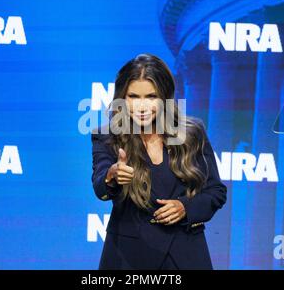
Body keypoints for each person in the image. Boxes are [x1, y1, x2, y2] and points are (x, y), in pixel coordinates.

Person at [91, 53, 227, 269]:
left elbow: (216, 192)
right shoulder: (108, 137)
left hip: (185, 254)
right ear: (121, 98)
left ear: (165, 97)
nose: (142, 106)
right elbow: (101, 188)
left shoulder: (192, 133)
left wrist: (186, 208)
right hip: (129, 257)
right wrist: (112, 175)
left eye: (151, 97)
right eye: (133, 96)